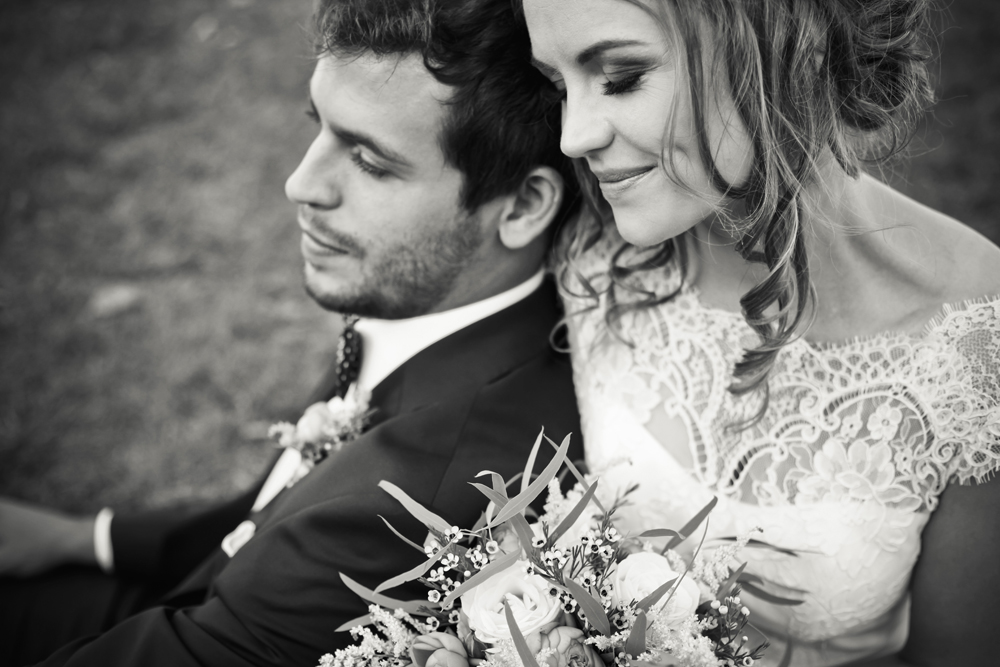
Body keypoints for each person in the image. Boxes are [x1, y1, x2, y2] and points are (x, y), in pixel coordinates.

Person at [0, 0, 583, 664]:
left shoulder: (408, 496)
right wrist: (85, 538)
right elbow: (273, 513)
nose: (300, 183)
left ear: (524, 205)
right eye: (320, 125)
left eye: (371, 162)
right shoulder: (443, 313)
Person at [521, 0, 1000, 666]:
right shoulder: (586, 242)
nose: (572, 136)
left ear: (788, 41)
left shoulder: (973, 339)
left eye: (622, 77)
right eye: (557, 85)